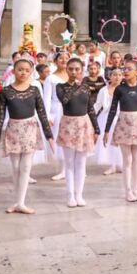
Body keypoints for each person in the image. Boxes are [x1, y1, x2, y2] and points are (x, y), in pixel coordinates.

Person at [0, 59, 54, 215]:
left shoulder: (34, 90)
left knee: (26, 167)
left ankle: (21, 202)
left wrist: (49, 136)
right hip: (13, 129)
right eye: (20, 69)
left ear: (31, 72)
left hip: (30, 129)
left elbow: (42, 113)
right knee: (15, 167)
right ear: (14, 70)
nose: (23, 73)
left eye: (27, 70)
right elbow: (0, 116)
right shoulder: (6, 91)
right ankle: (16, 201)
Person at [104, 60, 137, 202]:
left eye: (129, 69)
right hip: (124, 124)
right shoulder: (120, 89)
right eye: (124, 69)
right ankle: (127, 191)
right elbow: (113, 109)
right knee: (127, 159)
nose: (125, 71)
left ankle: (136, 189)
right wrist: (107, 130)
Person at [56, 58, 100, 208]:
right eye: (71, 69)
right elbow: (65, 100)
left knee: (81, 162)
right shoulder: (60, 87)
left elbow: (90, 108)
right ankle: (70, 195)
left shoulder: (86, 88)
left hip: (84, 124)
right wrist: (73, 85)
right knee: (69, 163)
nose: (74, 72)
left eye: (77, 69)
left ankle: (79, 194)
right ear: (66, 70)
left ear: (82, 70)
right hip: (68, 124)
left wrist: (96, 128)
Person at [42, 51, 70, 181]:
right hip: (57, 110)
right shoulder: (51, 78)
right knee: (60, 138)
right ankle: (63, 169)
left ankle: (72, 168)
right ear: (55, 61)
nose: (64, 60)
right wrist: (47, 116)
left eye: (66, 58)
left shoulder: (73, 75)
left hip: (72, 110)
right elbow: (46, 98)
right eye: (61, 58)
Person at [94, 67, 124, 176]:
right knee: (109, 141)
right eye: (114, 75)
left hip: (121, 118)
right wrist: (90, 116)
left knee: (121, 142)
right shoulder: (104, 90)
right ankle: (112, 165)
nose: (117, 77)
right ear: (110, 76)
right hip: (106, 118)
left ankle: (121, 164)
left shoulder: (125, 89)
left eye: (119, 75)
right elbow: (98, 105)